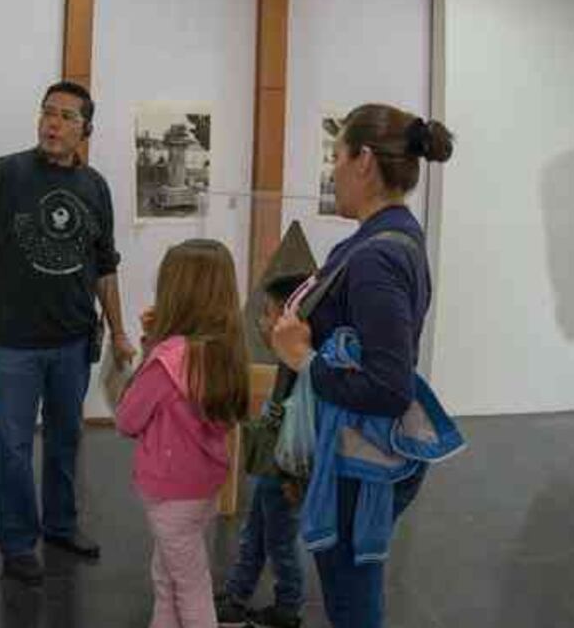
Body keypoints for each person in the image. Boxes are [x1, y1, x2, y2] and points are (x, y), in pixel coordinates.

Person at [0, 81, 137, 585]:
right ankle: (18, 542)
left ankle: (61, 524)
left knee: (66, 440)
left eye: (65, 116)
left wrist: (121, 331)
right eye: (47, 112)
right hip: (11, 344)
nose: (52, 123)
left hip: (72, 342)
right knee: (14, 447)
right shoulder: (5, 174)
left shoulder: (96, 188)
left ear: (86, 129)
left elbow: (104, 266)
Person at [269, 104, 455, 628]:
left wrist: (302, 358)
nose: (332, 172)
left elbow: (389, 386)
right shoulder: (391, 238)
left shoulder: (374, 257)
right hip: (358, 450)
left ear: (364, 161)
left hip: (357, 457)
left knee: (351, 600)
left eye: (336, 157)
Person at [115, 239, 250, 628]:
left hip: (169, 494)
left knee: (189, 585)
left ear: (174, 292)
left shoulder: (166, 360)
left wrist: (151, 349)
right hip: (203, 488)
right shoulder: (226, 351)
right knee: (168, 574)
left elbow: (127, 419)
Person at [214, 273, 313, 628]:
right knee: (255, 531)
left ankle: (289, 606)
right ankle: (238, 594)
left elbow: (301, 435)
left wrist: (293, 476)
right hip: (271, 464)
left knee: (282, 540)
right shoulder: (287, 364)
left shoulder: (303, 374)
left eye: (269, 313)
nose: (262, 321)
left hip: (284, 469)